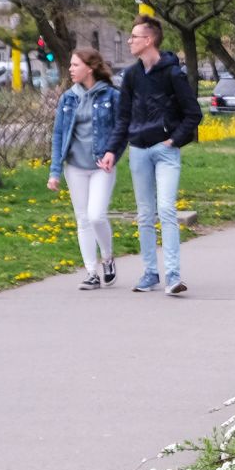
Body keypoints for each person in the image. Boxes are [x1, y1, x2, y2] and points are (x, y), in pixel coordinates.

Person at [109, 18, 203, 295]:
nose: (129, 41)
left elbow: (193, 114)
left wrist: (174, 140)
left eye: (134, 36)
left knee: (166, 209)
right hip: (138, 150)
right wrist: (112, 151)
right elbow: (123, 117)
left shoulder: (173, 74)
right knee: (145, 213)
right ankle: (150, 273)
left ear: (149, 40)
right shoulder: (131, 76)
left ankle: (173, 276)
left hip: (165, 152)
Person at [47, 48, 122, 289]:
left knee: (96, 215)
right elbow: (58, 134)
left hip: (101, 166)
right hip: (75, 167)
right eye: (70, 65)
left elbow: (122, 129)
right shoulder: (68, 98)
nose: (70, 69)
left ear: (89, 68)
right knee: (83, 219)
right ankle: (91, 271)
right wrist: (55, 172)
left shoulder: (111, 96)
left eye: (75, 65)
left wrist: (113, 153)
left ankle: (108, 258)